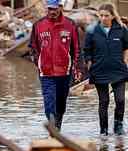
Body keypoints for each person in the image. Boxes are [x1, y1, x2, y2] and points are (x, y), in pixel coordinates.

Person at [29, 0, 81, 130]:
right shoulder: (38, 25)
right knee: (49, 103)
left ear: (61, 7)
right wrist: (38, 62)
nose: (52, 12)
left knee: (61, 104)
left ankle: (57, 127)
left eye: (55, 9)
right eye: (50, 9)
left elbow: (77, 49)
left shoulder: (70, 24)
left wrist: (77, 68)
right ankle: (53, 129)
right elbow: (32, 47)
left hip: (65, 72)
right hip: (46, 73)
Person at [84, 3, 128, 136]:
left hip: (118, 70)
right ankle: (103, 130)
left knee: (120, 100)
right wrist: (90, 65)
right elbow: (87, 51)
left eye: (106, 15)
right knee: (104, 101)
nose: (103, 18)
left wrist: (125, 61)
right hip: (99, 70)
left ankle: (118, 126)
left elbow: (126, 46)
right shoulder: (92, 30)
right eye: (101, 15)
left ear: (113, 16)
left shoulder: (121, 29)